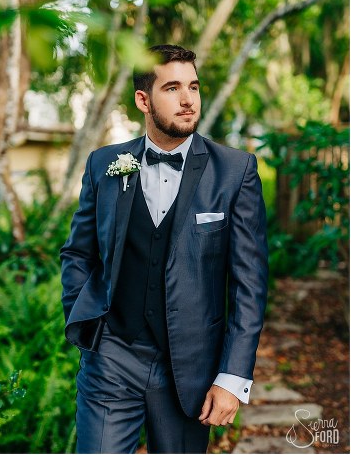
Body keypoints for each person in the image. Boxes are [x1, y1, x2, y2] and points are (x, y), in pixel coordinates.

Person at [60, 44, 268, 453]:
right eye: (172, 88)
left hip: (190, 368)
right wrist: (83, 317)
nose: (188, 99)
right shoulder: (104, 164)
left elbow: (249, 284)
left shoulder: (235, 171)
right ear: (143, 100)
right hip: (112, 356)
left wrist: (231, 377)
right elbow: (79, 253)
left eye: (193, 86)